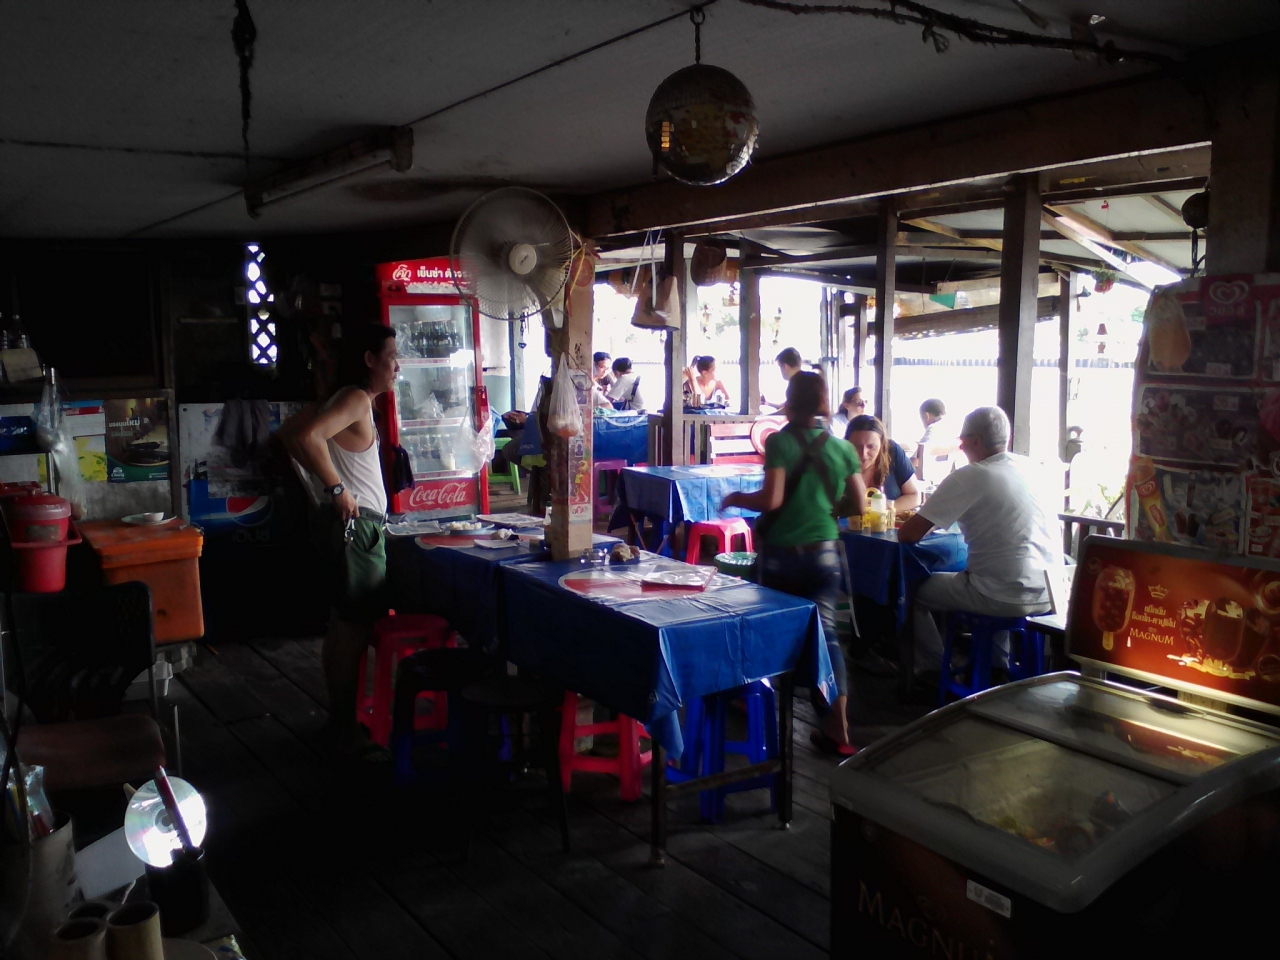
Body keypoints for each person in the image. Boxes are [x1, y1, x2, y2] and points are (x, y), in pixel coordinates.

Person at [721, 371, 867, 755]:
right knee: (827, 635)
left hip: (782, 557)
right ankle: (839, 726)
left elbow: (772, 499)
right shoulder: (843, 449)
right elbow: (859, 504)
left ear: (790, 399)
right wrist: (827, 509)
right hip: (825, 557)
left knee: (765, 625)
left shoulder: (780, 442)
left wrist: (736, 498)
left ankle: (753, 701)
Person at [277, 324, 399, 759]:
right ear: (369, 359)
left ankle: (339, 723)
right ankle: (345, 729)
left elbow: (291, 431)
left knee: (342, 628)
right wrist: (335, 489)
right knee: (352, 630)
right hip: (357, 527)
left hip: (343, 524)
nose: (397, 366)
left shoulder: (342, 398)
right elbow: (305, 437)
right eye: (391, 357)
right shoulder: (356, 399)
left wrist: (323, 486)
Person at [898, 406, 1058, 676]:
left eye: (962, 442)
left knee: (911, 592)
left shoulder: (971, 475)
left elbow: (908, 534)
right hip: (1048, 594)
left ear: (975, 441)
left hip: (1002, 595)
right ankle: (996, 668)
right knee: (995, 574)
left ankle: (933, 671)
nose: (961, 448)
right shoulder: (1032, 468)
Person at [844, 414, 921, 512]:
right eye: (856, 446)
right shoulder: (836, 460)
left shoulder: (892, 451)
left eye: (871, 446)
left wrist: (883, 508)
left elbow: (915, 496)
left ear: (882, 445)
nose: (864, 454)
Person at [915, 398, 958, 482]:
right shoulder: (953, 428)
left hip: (934, 481)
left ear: (926, 416)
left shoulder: (933, 429)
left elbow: (921, 453)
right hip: (951, 478)